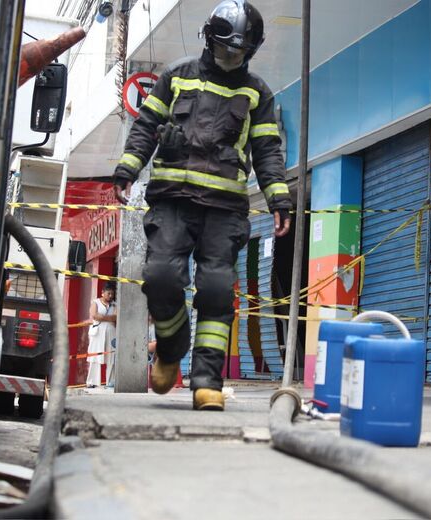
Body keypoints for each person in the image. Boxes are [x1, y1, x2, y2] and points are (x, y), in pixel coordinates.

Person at [113, 0, 291, 411]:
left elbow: (266, 150)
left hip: (224, 210)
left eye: (240, 51)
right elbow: (146, 127)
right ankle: (173, 347)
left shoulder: (256, 93)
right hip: (173, 202)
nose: (232, 57)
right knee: (159, 276)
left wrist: (278, 196)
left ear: (251, 50)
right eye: (226, 49)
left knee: (214, 291)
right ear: (209, 41)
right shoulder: (177, 76)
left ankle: (207, 380)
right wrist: (128, 168)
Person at [86, 282, 117, 388]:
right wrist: (109, 318)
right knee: (95, 356)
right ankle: (92, 382)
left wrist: (102, 317)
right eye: (108, 293)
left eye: (112, 294)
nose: (111, 296)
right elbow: (94, 315)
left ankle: (110, 382)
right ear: (102, 293)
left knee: (111, 357)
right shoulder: (95, 302)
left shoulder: (115, 304)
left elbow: (116, 317)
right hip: (97, 332)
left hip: (111, 332)